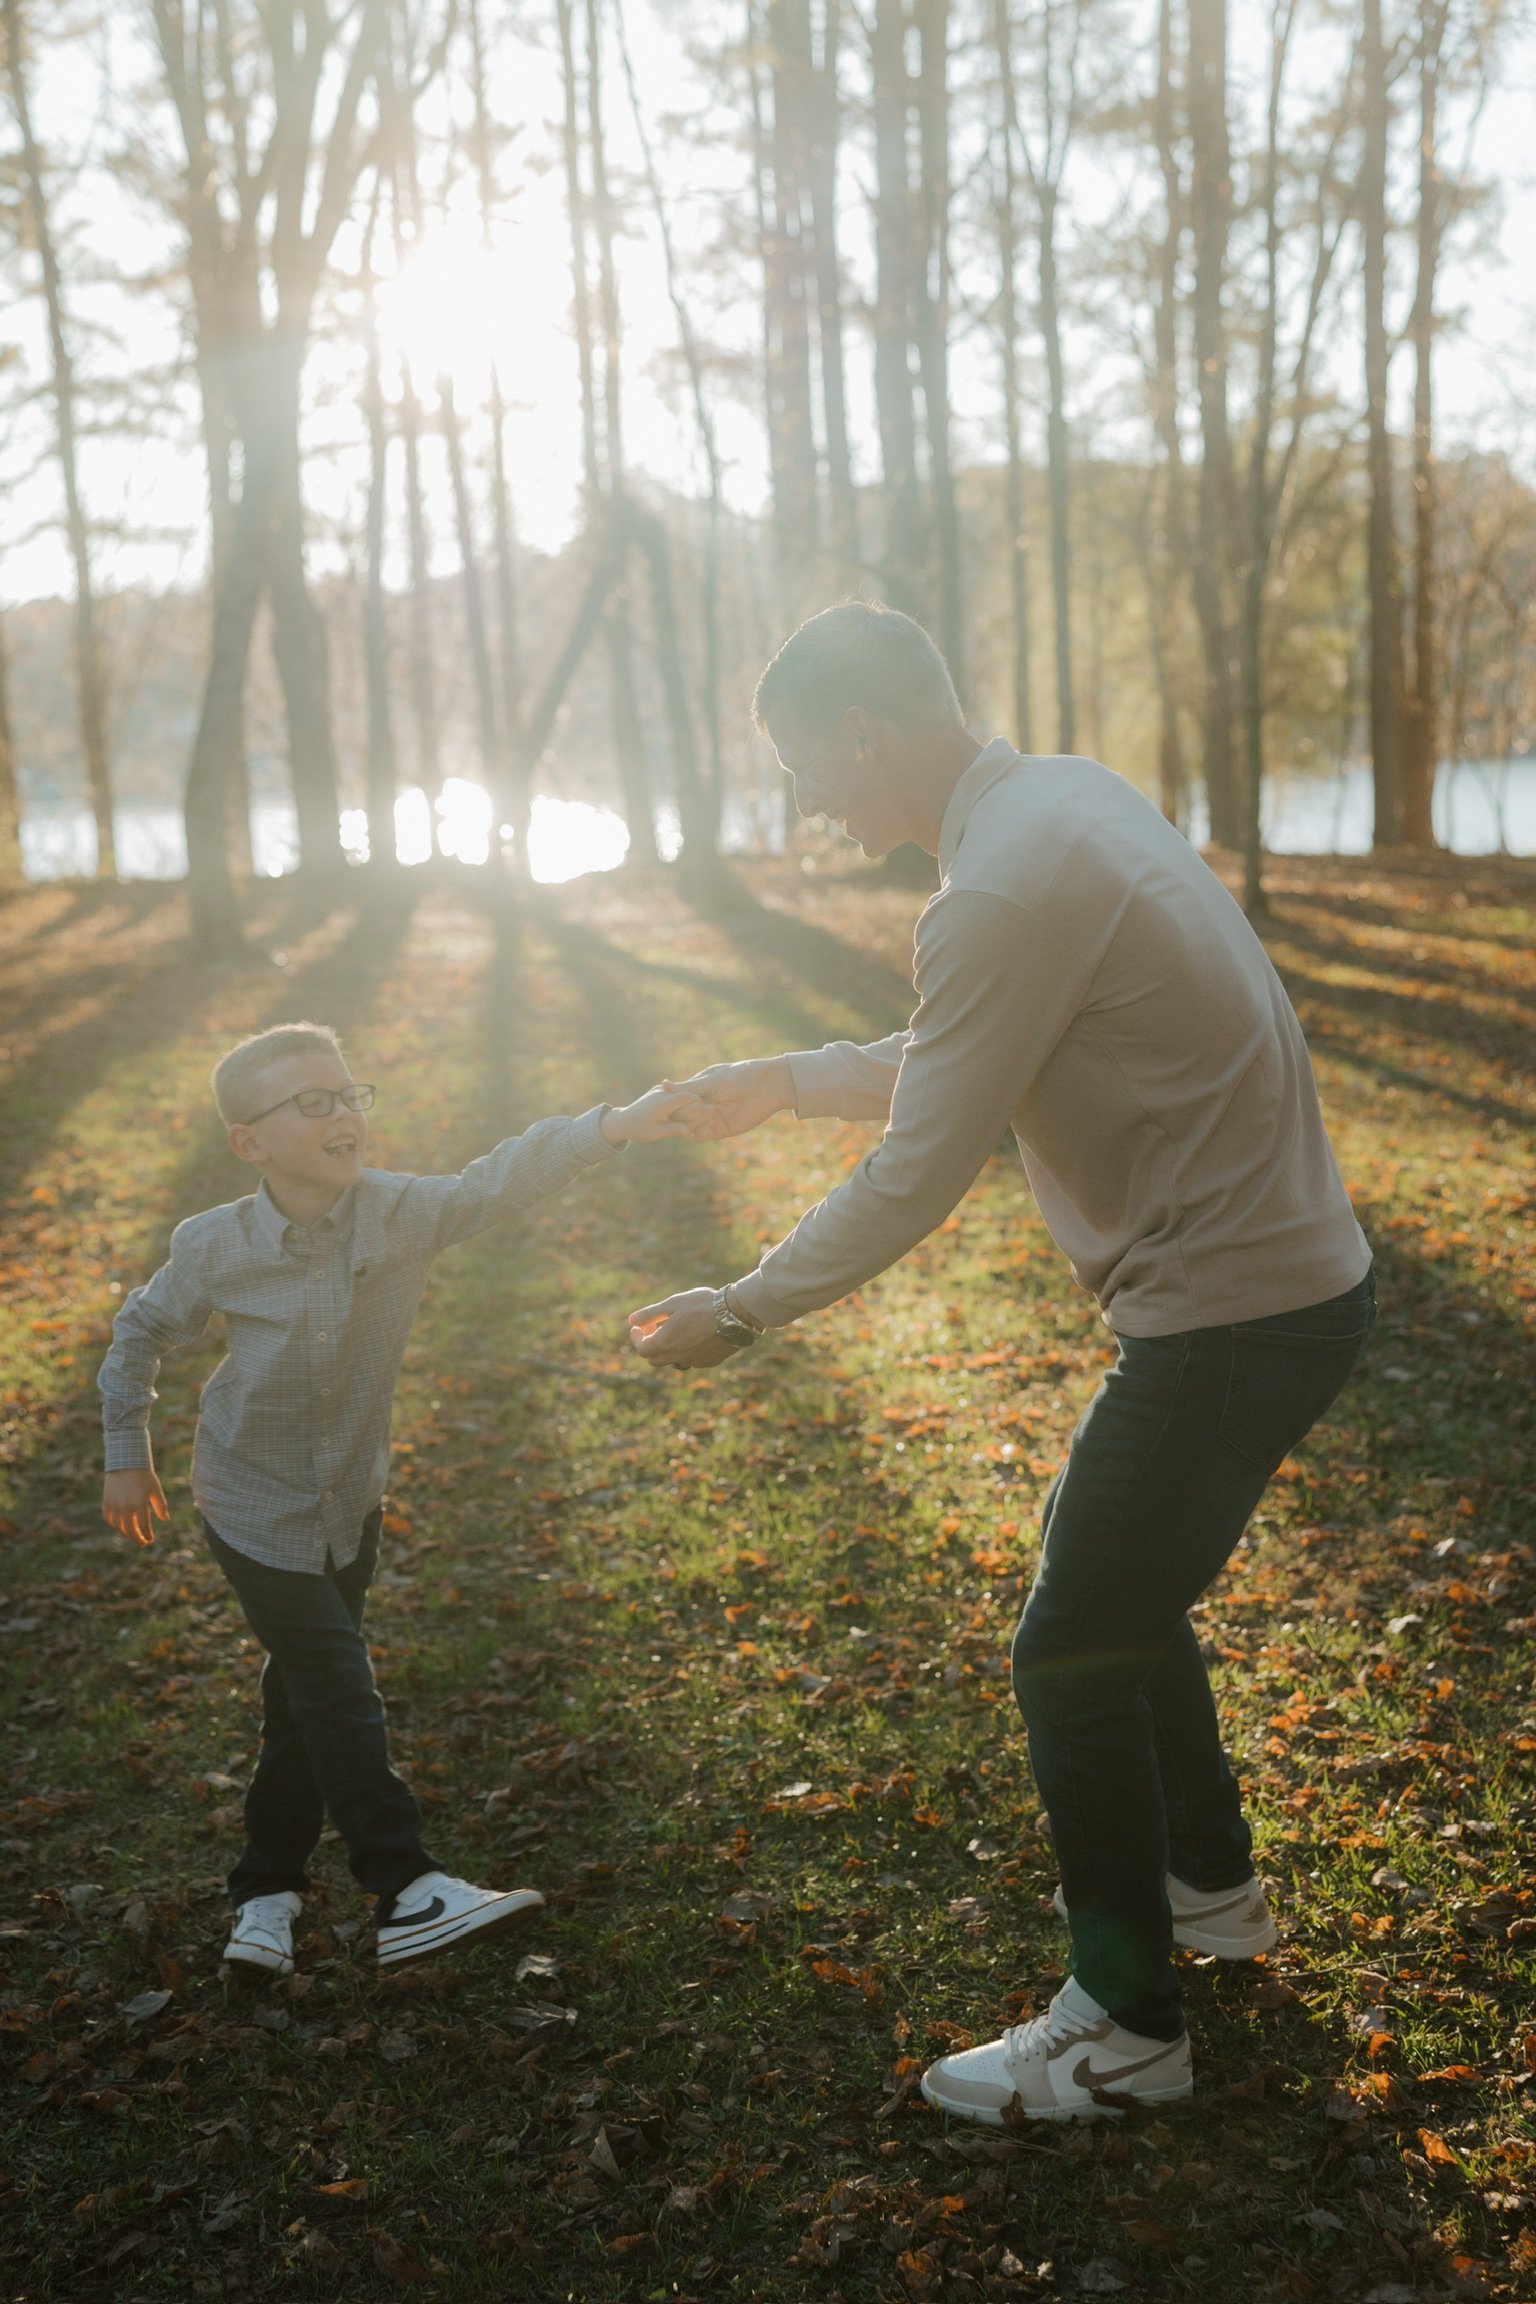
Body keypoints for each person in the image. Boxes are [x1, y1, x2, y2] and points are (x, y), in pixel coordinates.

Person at [630, 602, 1374, 2123]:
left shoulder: (997, 891)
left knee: (1068, 1647)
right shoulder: (1061, 805)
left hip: (1229, 1312)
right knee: (1115, 1592)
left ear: (862, 736)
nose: (804, 804)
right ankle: (1212, 1896)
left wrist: (745, 1307)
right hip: (1282, 1289)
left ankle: (1124, 2025)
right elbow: (986, 1044)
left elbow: (922, 1166)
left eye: (802, 769)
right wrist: (780, 1081)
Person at [100, 1020, 699, 1981]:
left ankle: (266, 1888)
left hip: (349, 1498)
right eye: (312, 1102)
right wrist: (125, 1452)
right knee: (337, 1681)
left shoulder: (399, 1213)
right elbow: (139, 1334)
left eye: (348, 1095)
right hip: (250, 1503)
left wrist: (616, 1125)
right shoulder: (214, 1245)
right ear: (249, 1141)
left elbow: (503, 1176)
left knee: (301, 1697)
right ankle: (404, 1887)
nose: (343, 1115)